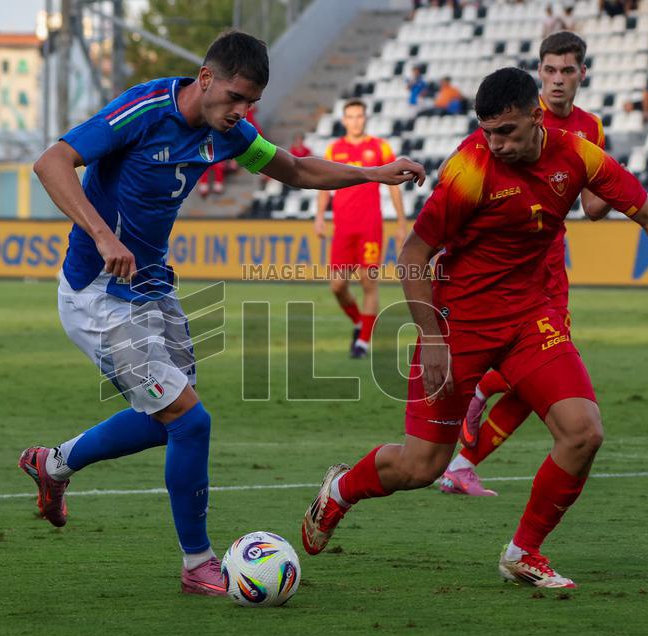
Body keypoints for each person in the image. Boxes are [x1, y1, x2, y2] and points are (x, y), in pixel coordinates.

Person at [25, 30, 425, 596]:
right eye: (235, 98)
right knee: (189, 421)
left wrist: (371, 174)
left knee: (165, 421)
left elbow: (294, 169)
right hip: (98, 292)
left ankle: (55, 463)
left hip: (153, 288)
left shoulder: (231, 134)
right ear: (205, 80)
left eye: (251, 103)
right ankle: (197, 564)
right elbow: (52, 162)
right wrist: (101, 235)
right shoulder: (143, 110)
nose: (242, 112)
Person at [300, 67, 648, 590]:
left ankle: (523, 551)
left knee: (584, 431)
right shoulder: (469, 169)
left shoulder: (577, 154)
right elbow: (413, 253)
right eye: (487, 132)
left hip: (530, 318)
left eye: (506, 131)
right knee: (421, 467)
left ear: (535, 116)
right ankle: (342, 489)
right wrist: (431, 337)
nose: (495, 143)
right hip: (459, 323)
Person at [438, 31, 612, 496]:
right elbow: (462, 177)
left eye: (567, 71)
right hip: (503, 269)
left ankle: (463, 464)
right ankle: (478, 399)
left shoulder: (589, 129)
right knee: (536, 363)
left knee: (544, 373)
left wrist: (609, 182)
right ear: (539, 75)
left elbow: (593, 208)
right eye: (549, 71)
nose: (557, 81)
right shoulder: (508, 118)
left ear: (581, 75)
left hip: (548, 263)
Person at [314, 100, 408, 359]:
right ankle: (359, 321)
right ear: (344, 120)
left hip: (370, 227)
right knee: (337, 286)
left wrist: (401, 222)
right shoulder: (335, 149)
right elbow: (324, 183)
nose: (355, 120)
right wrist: (319, 216)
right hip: (343, 228)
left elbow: (393, 186)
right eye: (350, 116)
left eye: (359, 116)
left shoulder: (379, 147)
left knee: (368, 283)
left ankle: (362, 343)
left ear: (365, 118)